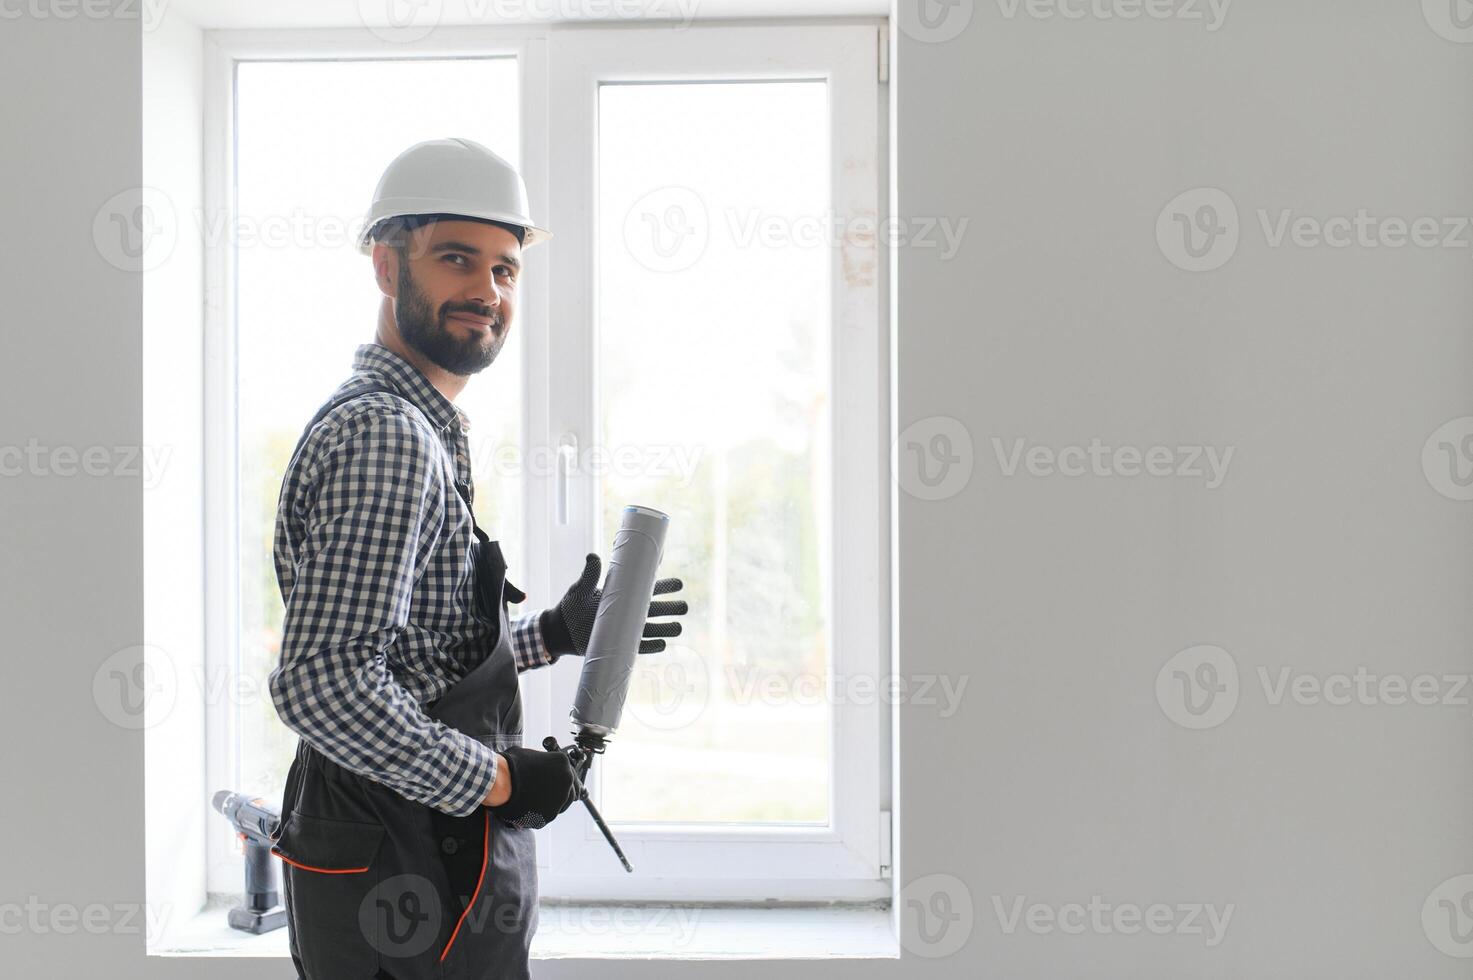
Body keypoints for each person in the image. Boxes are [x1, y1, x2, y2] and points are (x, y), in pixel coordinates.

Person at [266, 137, 687, 980]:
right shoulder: (388, 435)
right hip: (400, 857)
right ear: (387, 267)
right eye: (456, 259)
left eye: (505, 269)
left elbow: (414, 657)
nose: (486, 291)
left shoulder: (414, 426)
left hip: (413, 847)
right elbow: (326, 682)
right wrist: (497, 780)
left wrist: (553, 635)